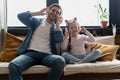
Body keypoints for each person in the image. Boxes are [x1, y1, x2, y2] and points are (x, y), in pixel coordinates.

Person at [8, 3, 66, 80]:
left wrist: (58, 24)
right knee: (13, 64)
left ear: (59, 16)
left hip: (47, 56)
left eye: (57, 12)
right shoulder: (37, 22)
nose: (54, 13)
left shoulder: (56, 29)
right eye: (53, 10)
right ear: (48, 11)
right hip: (31, 54)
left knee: (60, 61)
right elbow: (20, 16)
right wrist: (38, 13)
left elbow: (58, 39)